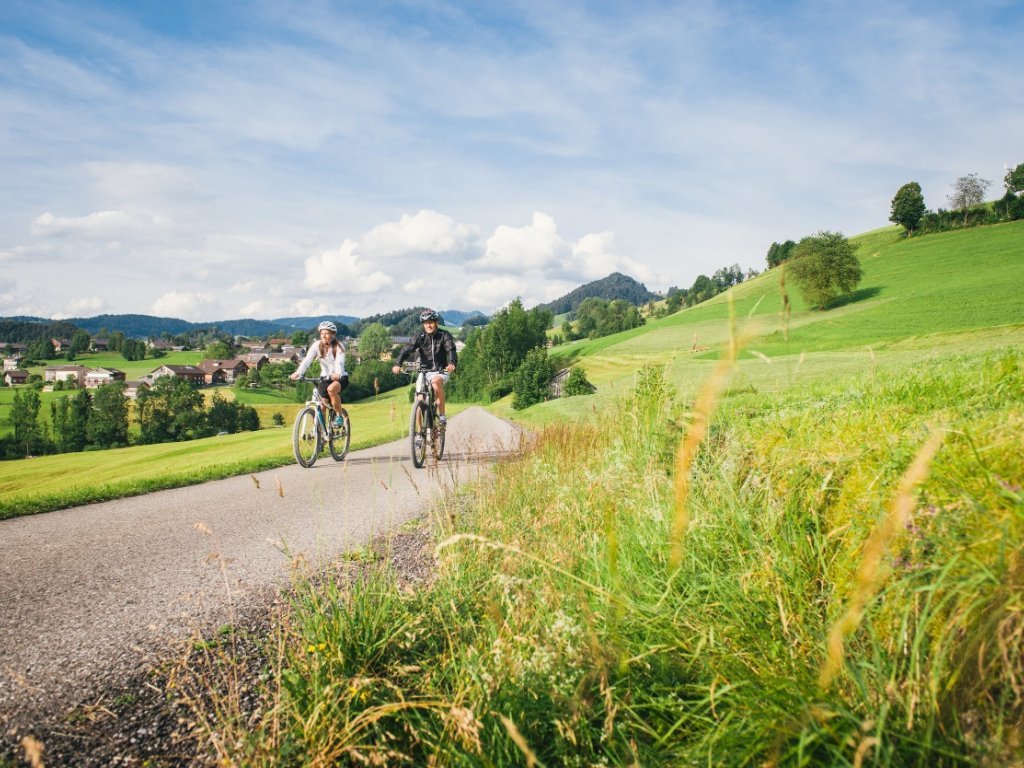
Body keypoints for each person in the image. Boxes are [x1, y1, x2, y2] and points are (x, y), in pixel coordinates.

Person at [392, 309, 457, 425]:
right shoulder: (420, 336)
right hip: (424, 372)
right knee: (419, 402)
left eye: (431, 322)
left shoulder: (444, 335)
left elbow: (451, 349)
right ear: (423, 324)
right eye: (426, 323)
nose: (429, 325)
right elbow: (407, 350)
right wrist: (398, 364)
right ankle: (418, 435)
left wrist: (452, 363)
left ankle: (442, 415)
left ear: (436, 322)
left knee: (436, 383)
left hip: (440, 370)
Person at [290, 321, 349, 425]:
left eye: (326, 333)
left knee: (331, 390)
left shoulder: (339, 346)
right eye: (322, 333)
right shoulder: (316, 345)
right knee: (322, 404)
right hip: (325, 377)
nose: (323, 336)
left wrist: (337, 373)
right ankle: (321, 434)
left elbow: (339, 362)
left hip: (340, 377)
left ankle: (339, 416)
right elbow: (307, 360)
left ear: (333, 334)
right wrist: (298, 373)